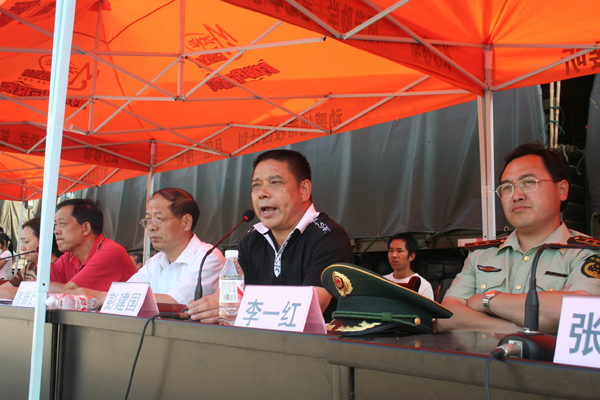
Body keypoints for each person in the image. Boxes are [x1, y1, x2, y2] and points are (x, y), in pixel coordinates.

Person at [438, 142, 600, 334]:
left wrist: (487, 300)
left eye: (529, 182)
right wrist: (519, 331)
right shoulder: (482, 256)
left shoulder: (587, 254)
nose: (516, 195)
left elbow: (578, 313)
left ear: (562, 189)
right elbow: (446, 317)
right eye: (507, 187)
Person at [187, 149, 354, 323]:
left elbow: (311, 306)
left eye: (274, 183)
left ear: (304, 190)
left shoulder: (329, 237)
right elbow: (226, 299)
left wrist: (242, 307)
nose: (262, 193)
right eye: (256, 185)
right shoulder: (251, 240)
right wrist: (209, 308)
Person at [70, 188, 224, 305]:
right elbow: (125, 292)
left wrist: (99, 296)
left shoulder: (208, 257)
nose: (151, 227)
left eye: (159, 219)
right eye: (148, 220)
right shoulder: (155, 261)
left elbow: (175, 303)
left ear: (186, 222)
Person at [0, 217, 62, 288]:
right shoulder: (28, 268)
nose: (22, 248)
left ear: (44, 241)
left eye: (26, 242)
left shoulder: (58, 269)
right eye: (22, 241)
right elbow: (7, 287)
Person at [384, 233, 434, 300]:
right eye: (391, 251)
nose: (394, 255)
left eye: (400, 251)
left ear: (411, 256)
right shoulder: (382, 281)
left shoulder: (423, 286)